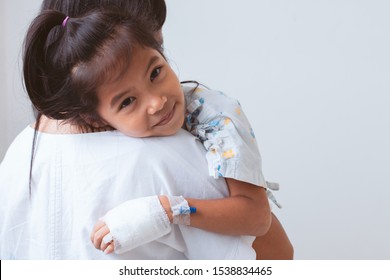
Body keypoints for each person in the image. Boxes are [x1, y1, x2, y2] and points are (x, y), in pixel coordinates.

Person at [0, 0, 293, 259]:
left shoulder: (17, 154)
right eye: (127, 101)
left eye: (155, 69)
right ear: (94, 115)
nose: (157, 102)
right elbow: (276, 255)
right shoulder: (168, 159)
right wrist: (169, 210)